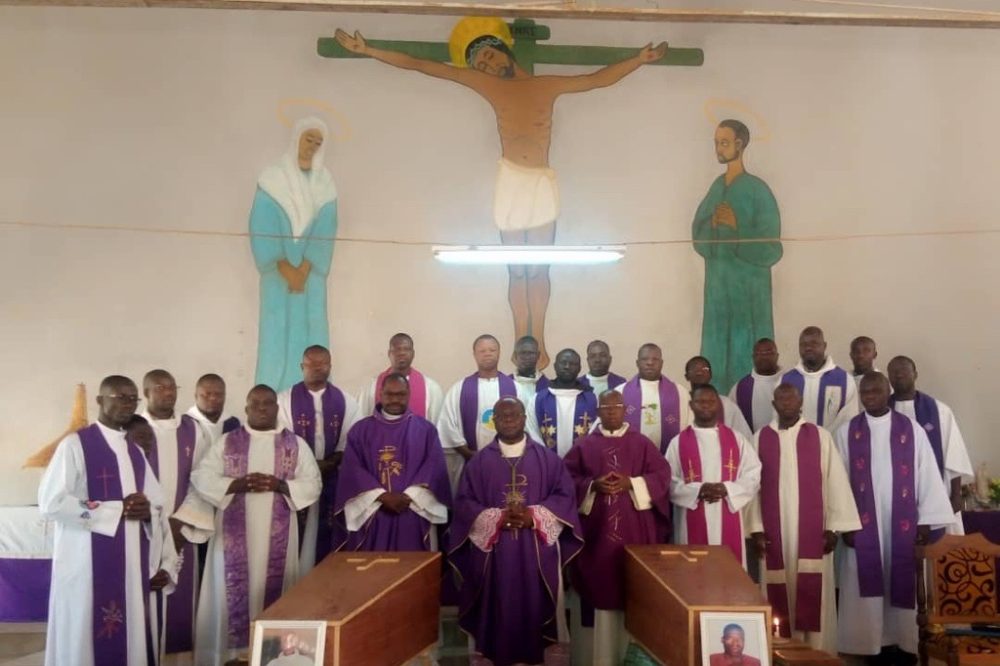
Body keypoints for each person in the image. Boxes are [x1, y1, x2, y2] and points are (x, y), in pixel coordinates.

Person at [334, 19, 666, 370]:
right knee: (516, 271)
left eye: (491, 56)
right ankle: (518, 343)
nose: (489, 66)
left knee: (538, 269)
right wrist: (369, 49)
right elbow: (425, 66)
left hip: (540, 181)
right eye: (481, 65)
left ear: (503, 50)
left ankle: (538, 343)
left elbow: (595, 79)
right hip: (510, 181)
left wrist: (639, 59)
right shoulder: (488, 86)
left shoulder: (545, 85)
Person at [39, 375, 177, 666]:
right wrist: (114, 510)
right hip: (86, 564)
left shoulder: (135, 450)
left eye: (132, 399)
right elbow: (51, 502)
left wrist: (146, 512)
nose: (127, 404)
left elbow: (156, 503)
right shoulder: (76, 445)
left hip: (130, 565)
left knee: (130, 634)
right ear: (100, 400)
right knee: (85, 634)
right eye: (119, 397)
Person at [188, 385, 322, 666]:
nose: (262, 408)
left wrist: (280, 485)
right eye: (255, 403)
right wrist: (235, 484)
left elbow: (313, 483)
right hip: (232, 538)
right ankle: (229, 657)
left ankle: (275, 657)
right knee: (229, 595)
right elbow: (201, 477)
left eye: (268, 403)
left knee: (277, 590)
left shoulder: (294, 444)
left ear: (276, 408)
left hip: (280, 541)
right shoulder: (227, 442)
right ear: (246, 409)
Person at [449, 397, 584, 666]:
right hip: (493, 554)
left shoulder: (547, 459)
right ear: (494, 421)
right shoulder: (478, 463)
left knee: (537, 608)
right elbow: (464, 502)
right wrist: (495, 518)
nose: (508, 420)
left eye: (514, 415)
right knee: (495, 609)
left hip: (537, 551)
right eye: (502, 416)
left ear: (524, 418)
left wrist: (533, 515)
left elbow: (564, 496)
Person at [835, 373, 954, 663]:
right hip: (864, 528)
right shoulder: (846, 431)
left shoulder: (911, 430)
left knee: (902, 584)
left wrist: (925, 520)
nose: (870, 395)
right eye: (865, 391)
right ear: (860, 395)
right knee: (867, 589)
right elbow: (837, 482)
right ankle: (871, 646)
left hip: (903, 526)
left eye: (876, 390)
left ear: (887, 392)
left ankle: (903, 644)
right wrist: (845, 525)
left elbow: (927, 475)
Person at [745, 384, 860, 653]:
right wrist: (756, 529)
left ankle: (816, 653)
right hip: (774, 536)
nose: (786, 403)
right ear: (773, 404)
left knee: (814, 592)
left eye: (791, 398)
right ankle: (779, 651)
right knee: (776, 588)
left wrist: (834, 528)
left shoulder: (820, 437)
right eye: (781, 399)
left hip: (814, 534)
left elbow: (835, 482)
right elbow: (751, 487)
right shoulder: (759, 438)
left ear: (801, 403)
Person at [563, 390, 670, 666]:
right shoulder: (584, 445)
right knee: (597, 589)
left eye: (617, 407)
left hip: (634, 533)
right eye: (606, 407)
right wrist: (592, 485)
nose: (611, 412)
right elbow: (567, 479)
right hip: (595, 534)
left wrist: (632, 484)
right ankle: (594, 658)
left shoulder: (642, 443)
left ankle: (632, 658)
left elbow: (661, 475)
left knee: (632, 587)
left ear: (626, 411)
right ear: (598, 411)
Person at [693, 119, 782, 394]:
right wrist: (714, 228)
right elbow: (698, 235)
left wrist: (736, 230)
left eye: (724, 142)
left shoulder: (758, 190)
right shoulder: (716, 188)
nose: (718, 148)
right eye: (716, 142)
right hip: (718, 292)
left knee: (748, 359)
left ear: (740, 145)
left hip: (749, 294)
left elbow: (772, 248)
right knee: (716, 358)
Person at [251, 117, 338, 392]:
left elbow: (327, 225)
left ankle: (314, 393)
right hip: (278, 274)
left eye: (317, 142)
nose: (311, 146)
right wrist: (283, 265)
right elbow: (260, 222)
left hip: (311, 277)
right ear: (296, 138)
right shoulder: (272, 179)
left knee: (312, 333)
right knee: (276, 334)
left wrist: (306, 267)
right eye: (308, 139)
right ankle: (272, 392)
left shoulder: (325, 183)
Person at [335, 373, 451, 551]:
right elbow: (352, 471)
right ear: (380, 394)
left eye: (401, 394)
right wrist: (381, 496)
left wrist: (409, 496)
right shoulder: (360, 431)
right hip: (372, 513)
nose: (395, 399)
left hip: (414, 511)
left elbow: (434, 469)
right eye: (390, 394)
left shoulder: (426, 430)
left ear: (409, 394)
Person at [139, 369, 209, 661]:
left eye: (172, 387)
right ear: (146, 393)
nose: (168, 393)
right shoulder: (133, 429)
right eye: (159, 387)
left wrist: (181, 522)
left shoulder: (193, 429)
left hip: (182, 527)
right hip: (142, 530)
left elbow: (205, 480)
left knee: (182, 604)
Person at [277, 345, 360, 573]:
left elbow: (351, 439)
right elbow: (281, 440)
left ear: (330, 366)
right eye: (311, 363)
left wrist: (332, 462)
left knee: (328, 529)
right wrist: (310, 466)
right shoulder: (283, 400)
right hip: (297, 477)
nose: (316, 368)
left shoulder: (347, 401)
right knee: (300, 536)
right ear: (301, 367)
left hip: (334, 475)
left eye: (322, 363)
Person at [666, 385, 761, 567]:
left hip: (729, 513)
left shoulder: (737, 439)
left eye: (711, 401)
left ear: (718, 405)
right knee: (694, 575)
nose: (706, 406)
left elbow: (753, 474)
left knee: (728, 574)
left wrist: (726, 489)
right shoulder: (678, 443)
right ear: (691, 405)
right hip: (691, 517)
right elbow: (669, 481)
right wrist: (697, 491)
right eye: (700, 402)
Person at [887, 356, 973, 531]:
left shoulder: (939, 411)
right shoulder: (880, 412)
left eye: (903, 370)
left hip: (935, 496)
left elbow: (954, 455)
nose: (899, 375)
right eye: (893, 372)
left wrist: (956, 496)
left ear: (915, 374)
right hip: (892, 498)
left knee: (939, 551)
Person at [437, 334, 517, 492]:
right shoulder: (459, 389)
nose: (487, 353)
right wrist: (468, 454)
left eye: (492, 350)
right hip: (471, 461)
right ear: (474, 354)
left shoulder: (515, 388)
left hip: (509, 462)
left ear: (499, 353)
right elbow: (447, 425)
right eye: (482, 350)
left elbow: (525, 425)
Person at [614, 343, 690, 454]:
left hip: (668, 460)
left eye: (655, 359)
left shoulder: (680, 393)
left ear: (662, 363)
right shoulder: (620, 392)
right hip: (629, 461)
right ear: (637, 363)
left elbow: (690, 430)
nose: (650, 363)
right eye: (645, 359)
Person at [781, 326, 859, 433]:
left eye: (814, 343)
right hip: (795, 447)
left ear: (824, 346)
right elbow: (779, 419)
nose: (808, 348)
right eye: (803, 344)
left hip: (832, 446)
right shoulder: (785, 381)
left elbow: (848, 421)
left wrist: (823, 442)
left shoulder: (845, 380)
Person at [356, 333, 444, 422]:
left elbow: (437, 426)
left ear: (413, 354)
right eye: (397, 349)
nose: (401, 353)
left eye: (406, 349)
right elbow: (360, 422)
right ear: (389, 353)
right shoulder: (372, 387)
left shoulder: (430, 388)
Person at [526, 348, 597, 458]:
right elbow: (532, 432)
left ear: (579, 368)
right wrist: (547, 459)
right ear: (555, 366)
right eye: (563, 363)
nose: (567, 367)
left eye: (572, 364)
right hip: (547, 464)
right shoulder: (537, 399)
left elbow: (595, 433)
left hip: (582, 464)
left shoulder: (592, 400)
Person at [684, 356, 753, 438]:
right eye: (694, 369)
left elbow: (743, 437)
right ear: (686, 376)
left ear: (711, 375)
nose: (700, 372)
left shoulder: (727, 405)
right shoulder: (681, 403)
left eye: (705, 369)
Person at [729, 338, 782, 433]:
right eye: (759, 354)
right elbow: (732, 421)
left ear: (777, 356)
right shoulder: (741, 388)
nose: (764, 357)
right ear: (753, 357)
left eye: (768, 353)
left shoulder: (789, 381)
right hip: (752, 445)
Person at [184, 374, 241, 445]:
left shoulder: (233, 424)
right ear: (196, 396)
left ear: (224, 396)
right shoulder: (183, 423)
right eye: (207, 394)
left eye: (218, 394)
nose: (213, 398)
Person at [510, 335, 549, 407]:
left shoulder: (548, 387)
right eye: (523, 353)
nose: (527, 357)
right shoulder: (506, 383)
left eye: (531, 353)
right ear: (515, 355)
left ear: (538, 356)